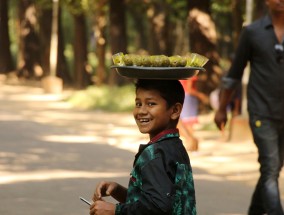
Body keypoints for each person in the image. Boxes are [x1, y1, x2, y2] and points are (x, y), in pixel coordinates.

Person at [214, 0, 284, 214]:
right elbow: (234, 74)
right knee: (271, 168)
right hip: (261, 112)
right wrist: (221, 108)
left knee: (270, 170)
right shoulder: (252, 32)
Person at [89, 79, 196, 215]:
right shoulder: (174, 146)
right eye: (138, 104)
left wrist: (116, 211)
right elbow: (158, 200)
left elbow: (158, 207)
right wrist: (118, 191)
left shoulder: (155, 154)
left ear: (175, 110)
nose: (141, 111)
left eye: (151, 104)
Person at [179, 77, 209, 151]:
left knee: (185, 123)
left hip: (182, 96)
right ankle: (191, 144)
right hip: (188, 98)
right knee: (189, 124)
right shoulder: (190, 74)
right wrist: (201, 96)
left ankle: (191, 144)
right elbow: (189, 89)